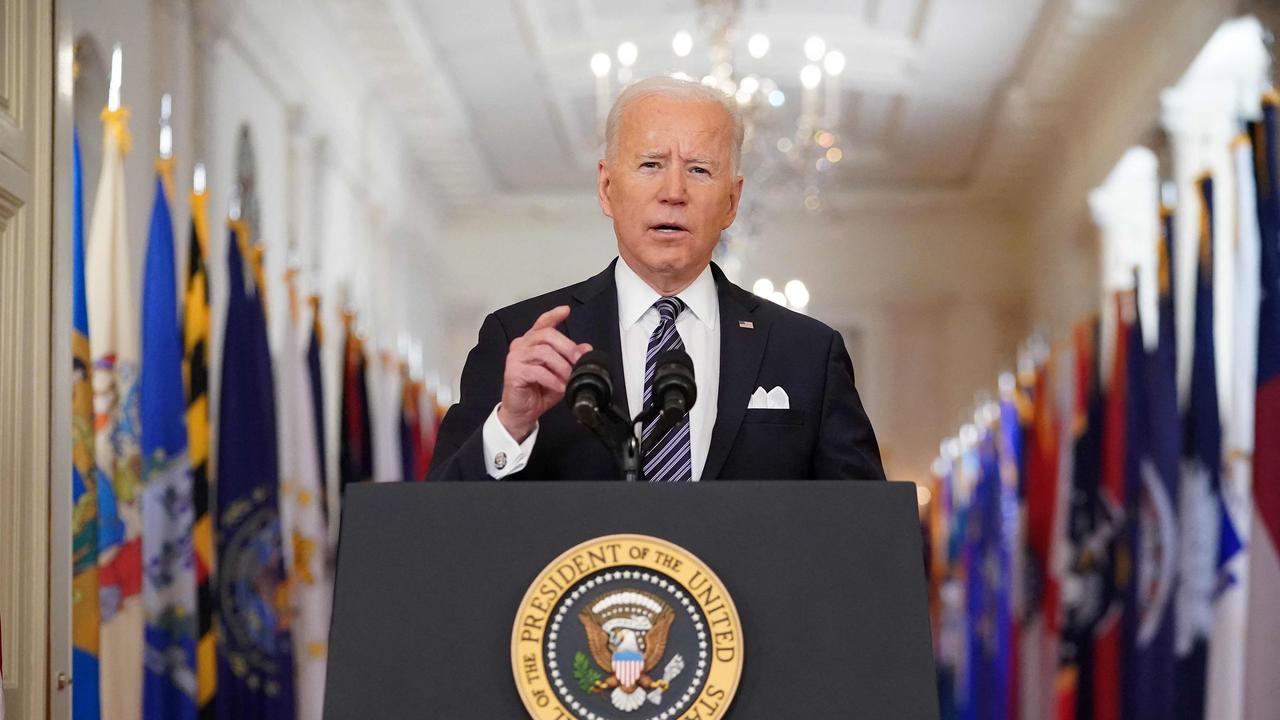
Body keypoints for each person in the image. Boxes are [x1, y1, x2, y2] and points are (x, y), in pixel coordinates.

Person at [427, 76, 884, 482]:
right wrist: (510, 425)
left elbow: (864, 534)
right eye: (650, 165)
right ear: (607, 189)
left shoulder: (807, 352)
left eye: (699, 170)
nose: (673, 193)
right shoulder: (524, 341)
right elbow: (438, 528)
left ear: (731, 201)